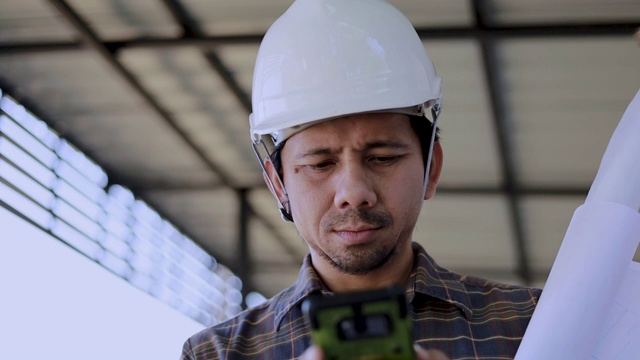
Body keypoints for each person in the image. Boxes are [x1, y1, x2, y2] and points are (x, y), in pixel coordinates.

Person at [180, 0, 541, 359]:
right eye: (320, 164)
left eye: (383, 158)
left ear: (431, 167)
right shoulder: (217, 353)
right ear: (278, 184)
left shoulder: (532, 325)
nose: (353, 193)